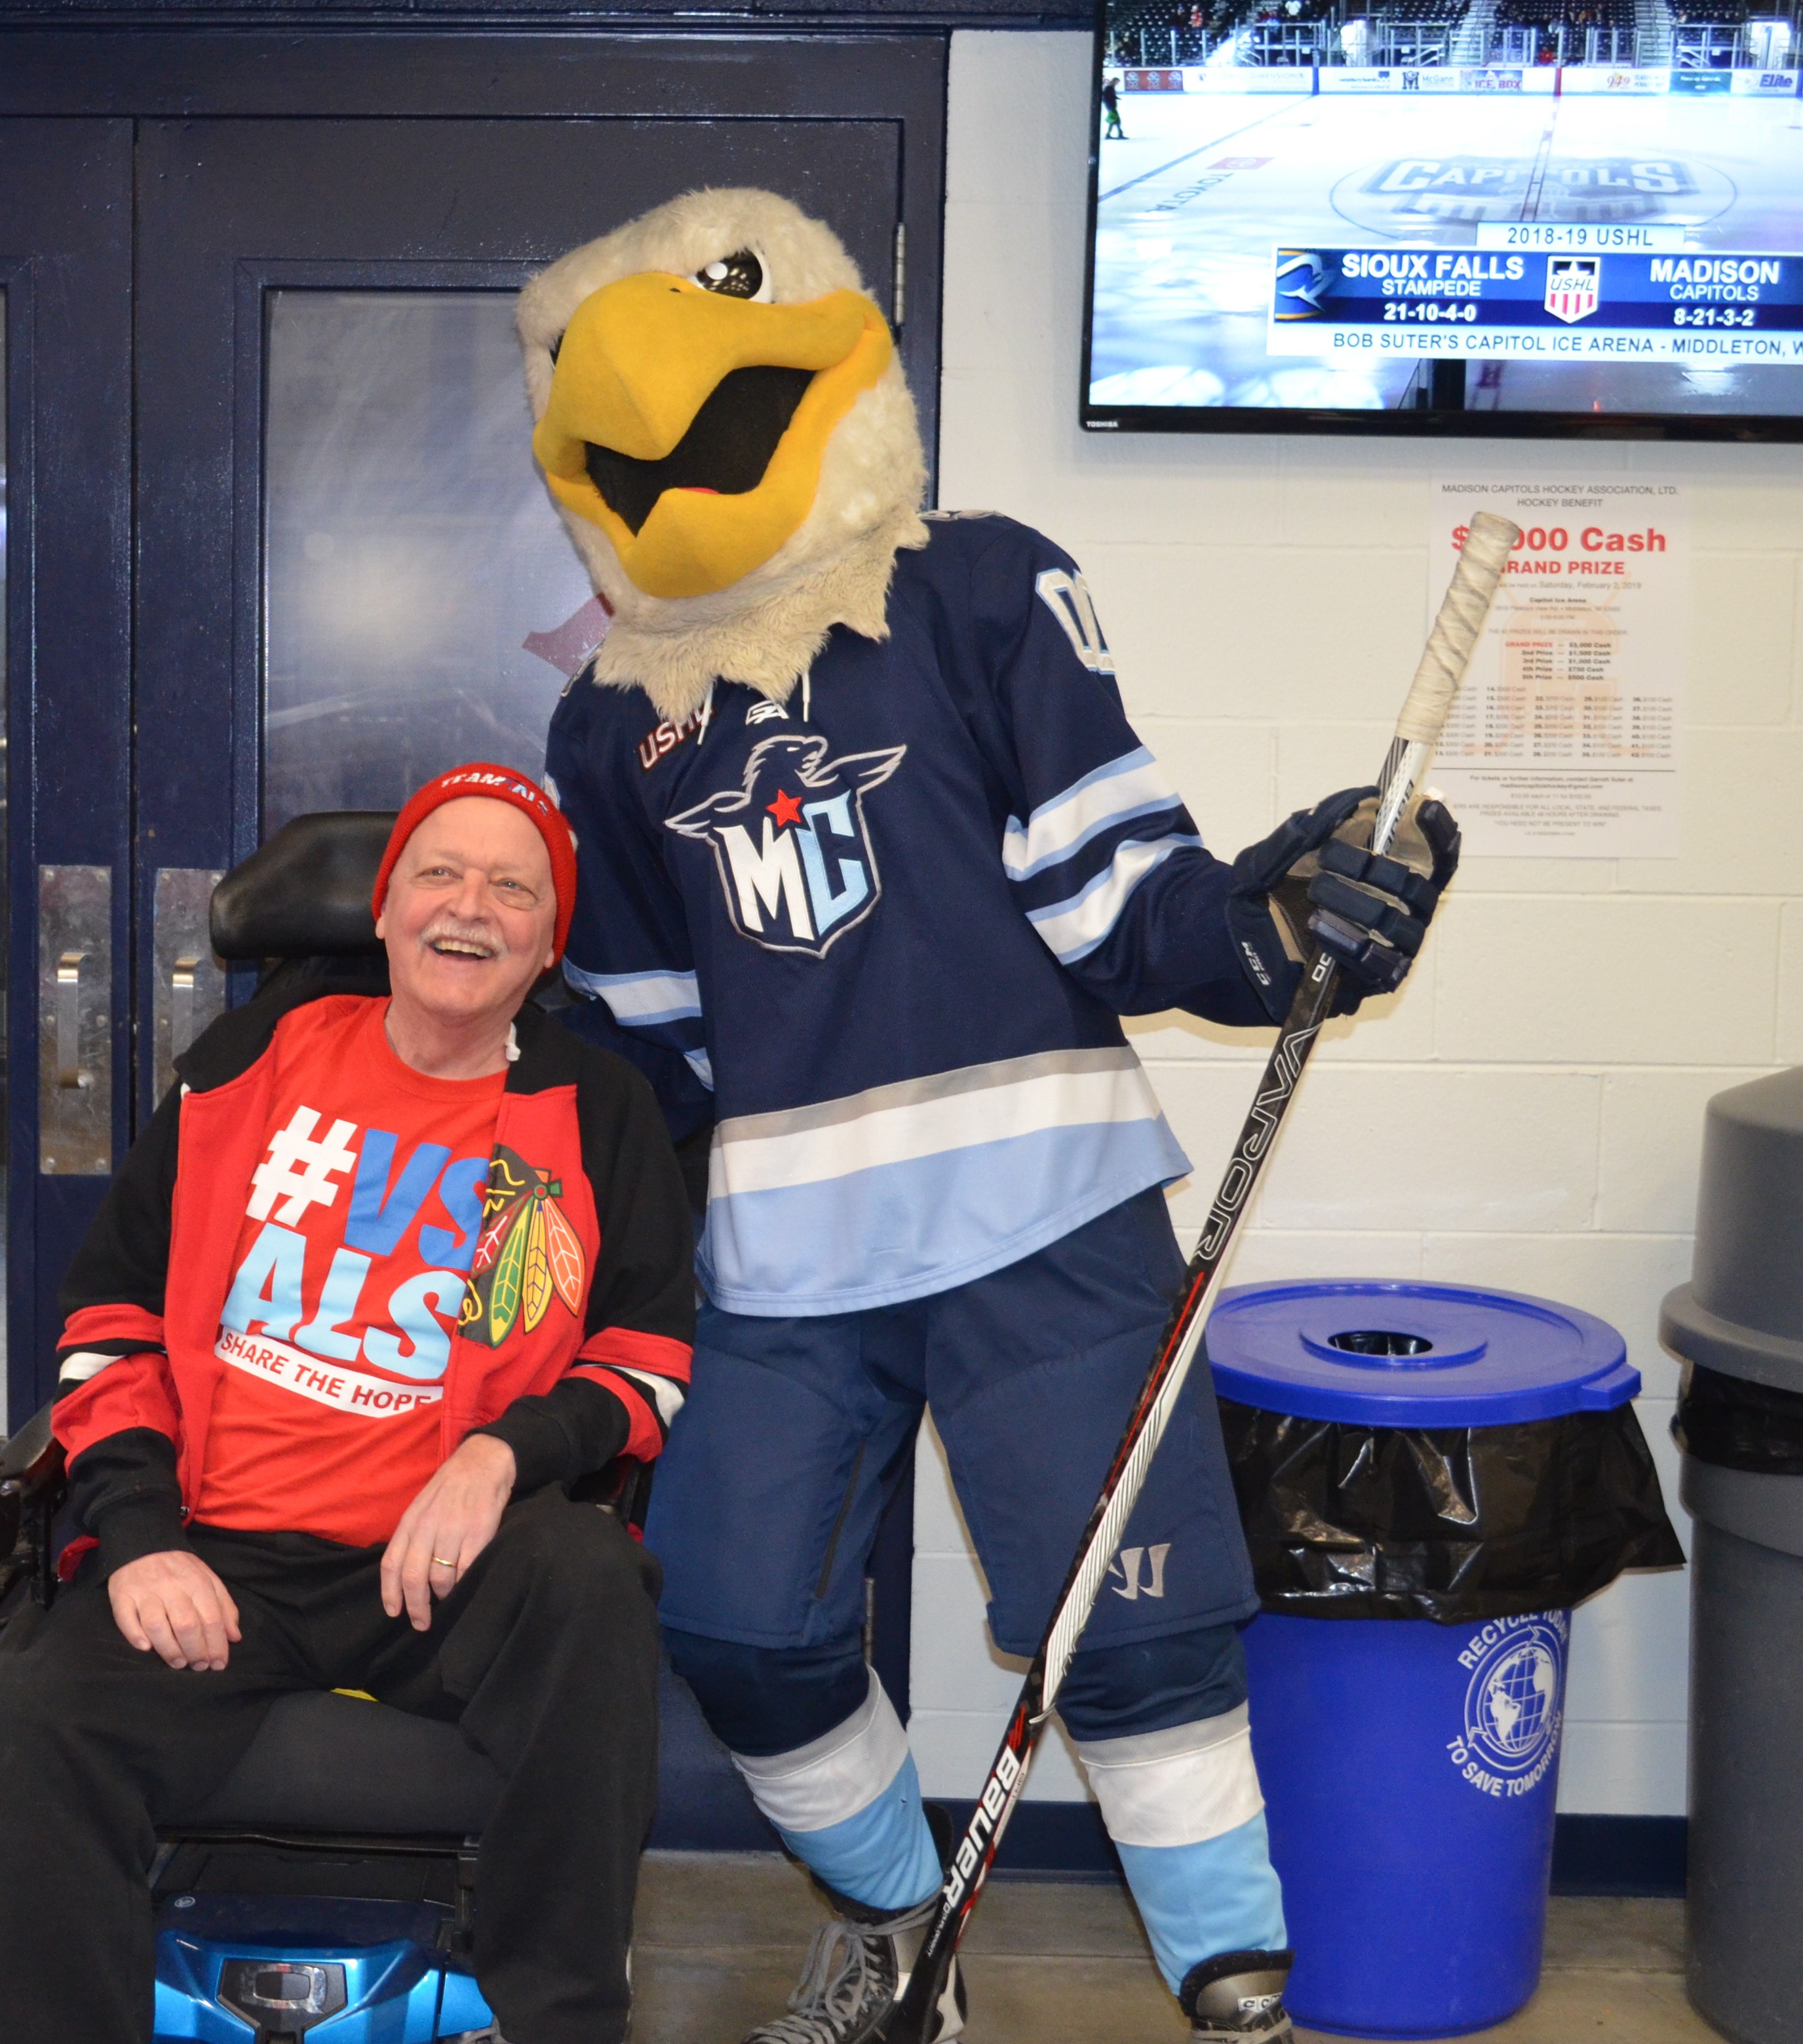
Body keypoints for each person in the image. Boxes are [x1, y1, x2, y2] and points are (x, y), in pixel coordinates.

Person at [515, 189, 1460, 2044]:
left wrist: (1282, 920)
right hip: (784, 1256)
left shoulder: (974, 587)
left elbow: (1127, 908)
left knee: (1140, 1625)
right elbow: (645, 1052)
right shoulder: (602, 728)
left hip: (1050, 1220)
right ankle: (895, 1928)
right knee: (732, 1615)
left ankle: (1228, 1970)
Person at [0, 764, 695, 2044]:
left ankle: (562, 2023)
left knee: (589, 1580)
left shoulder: (600, 1111)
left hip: (451, 1565)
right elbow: (112, 1320)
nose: (470, 908)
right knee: (41, 1709)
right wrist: (137, 1538)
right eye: (439, 874)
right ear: (386, 904)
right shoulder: (252, 1058)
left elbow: (643, 1361)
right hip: (226, 1555)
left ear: (548, 941)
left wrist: (501, 1457)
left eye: (512, 888)